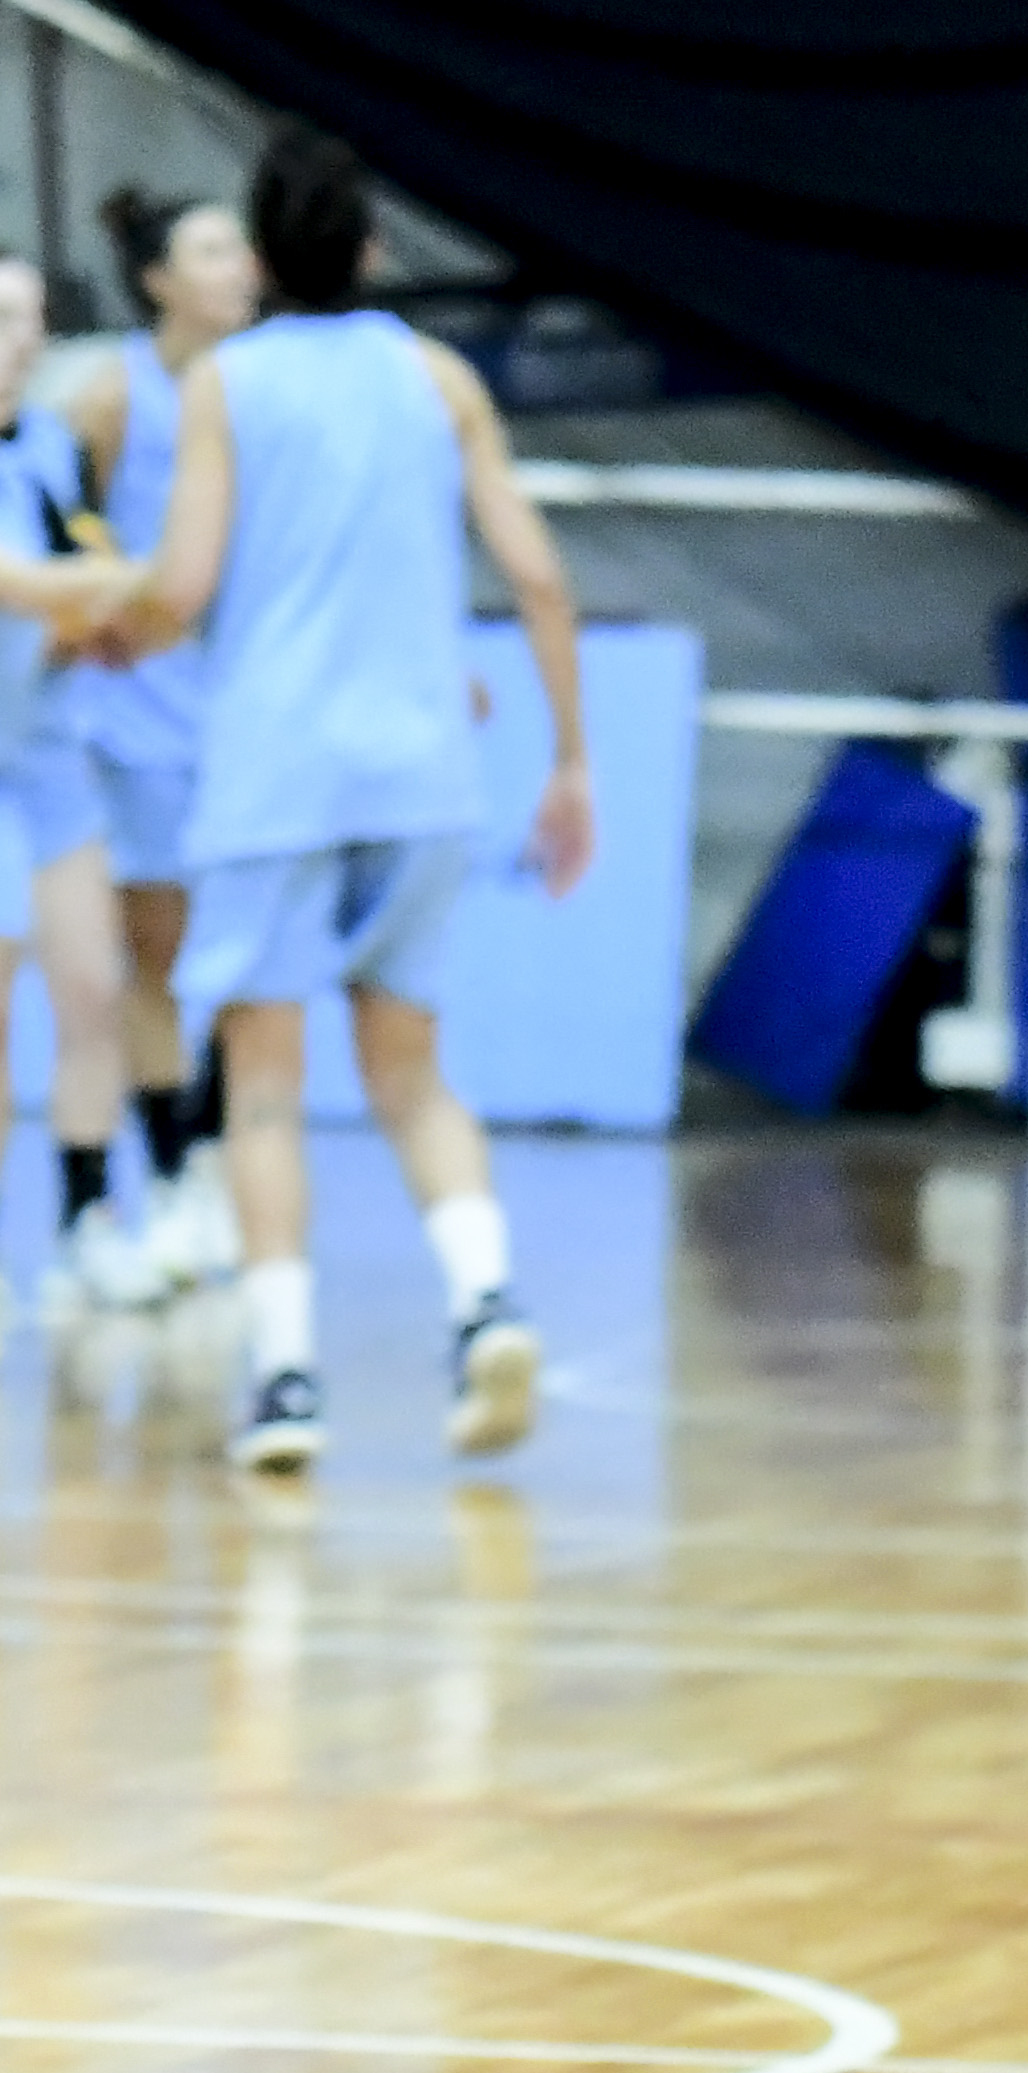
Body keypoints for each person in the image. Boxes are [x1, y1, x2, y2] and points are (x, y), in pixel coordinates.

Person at [108, 127, 592, 1471]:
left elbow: (184, 584)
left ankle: (283, 1379)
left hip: (274, 775)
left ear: (258, 259)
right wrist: (567, 756)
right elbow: (540, 577)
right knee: (414, 1071)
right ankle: (485, 1296)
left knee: (264, 1087)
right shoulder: (434, 377)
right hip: (421, 770)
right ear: (372, 246)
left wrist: (115, 626)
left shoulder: (226, 384)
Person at [64, 186, 260, 1290]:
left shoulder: (263, 396)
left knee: (245, 959)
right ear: (159, 281)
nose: (238, 267)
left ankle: (221, 1158)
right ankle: (176, 1171)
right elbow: (68, 534)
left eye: (242, 247)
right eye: (213, 249)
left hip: (246, 723)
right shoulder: (113, 399)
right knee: (160, 963)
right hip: (139, 727)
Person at [0, 255, 159, 1318]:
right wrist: (159, 583)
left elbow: (73, 579)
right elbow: (23, 582)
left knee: (93, 986)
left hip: (48, 757)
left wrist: (100, 628)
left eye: (31, 319)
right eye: (1, 315)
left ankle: (88, 1220)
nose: (18, 337)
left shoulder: (54, 449)